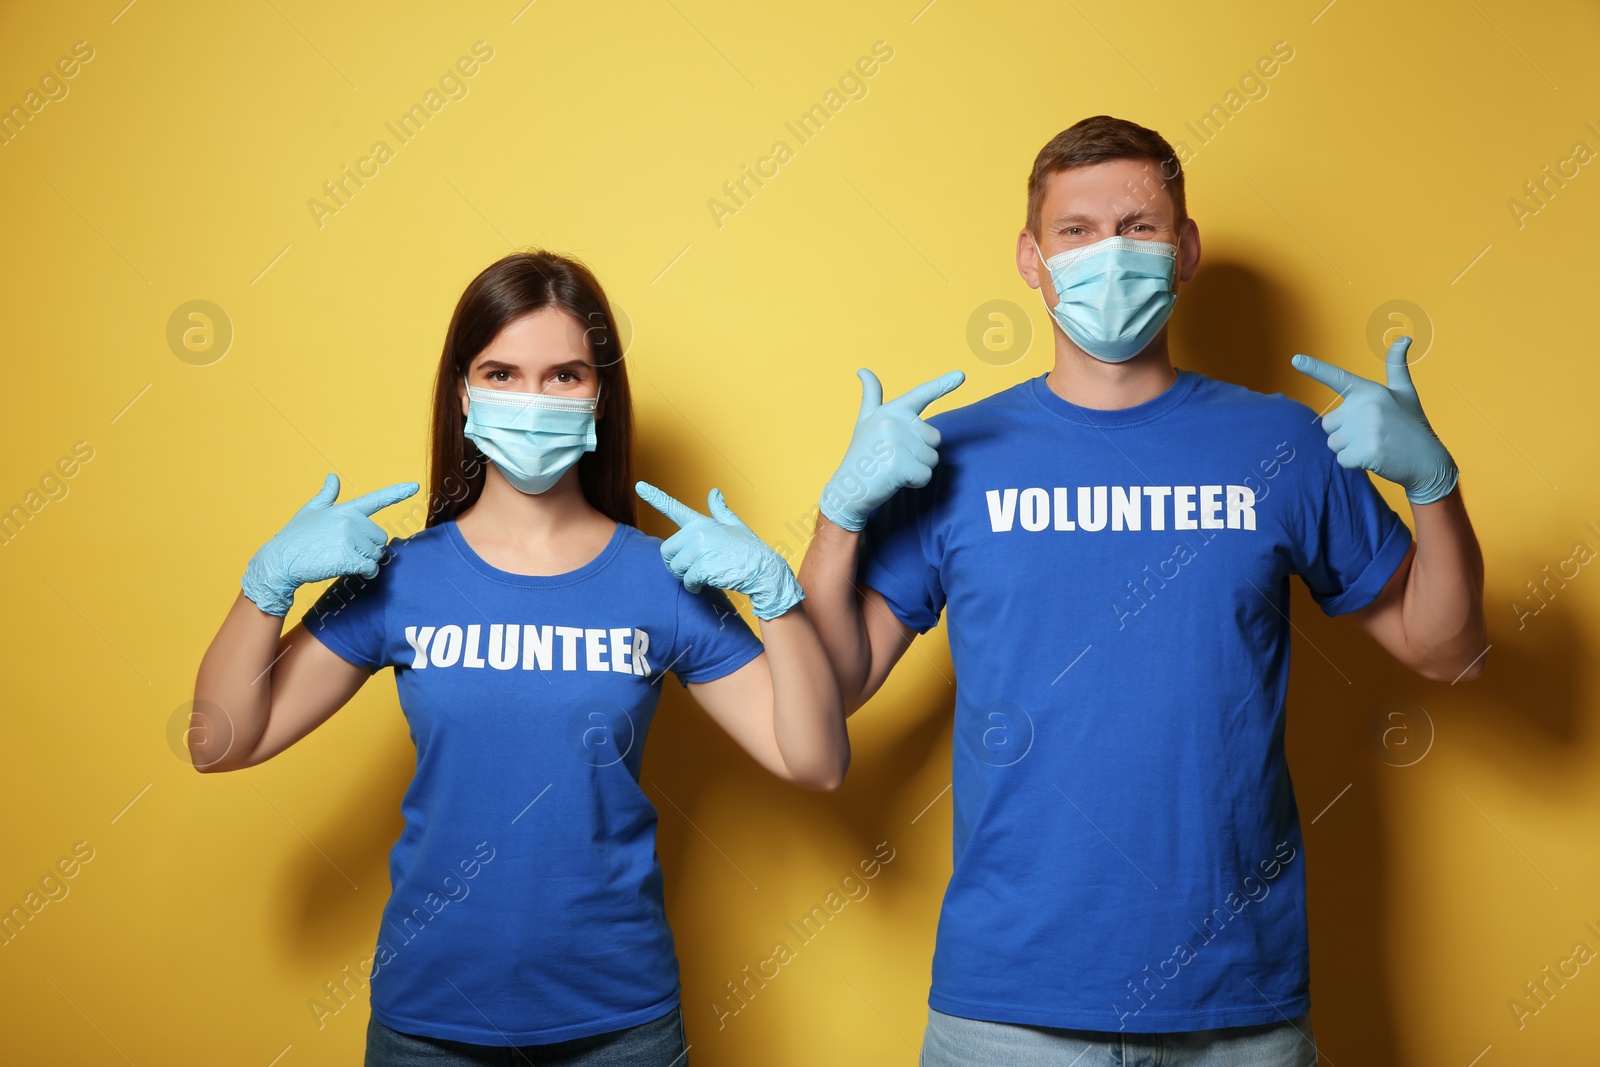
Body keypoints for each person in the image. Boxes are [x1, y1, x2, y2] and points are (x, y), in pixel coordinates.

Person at [797, 115, 1486, 1066]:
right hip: (1010, 1009)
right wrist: (837, 517)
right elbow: (826, 686)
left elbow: (1447, 649)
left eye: (1139, 225)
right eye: (1076, 232)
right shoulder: (953, 456)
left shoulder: (1283, 444)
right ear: (1032, 261)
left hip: (1236, 1006)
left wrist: (1434, 486)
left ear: (1185, 249)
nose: (1108, 254)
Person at [190, 251, 848, 1066]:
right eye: (502, 371)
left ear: (599, 393)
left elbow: (815, 760)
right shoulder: (401, 576)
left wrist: (777, 600)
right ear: (463, 390)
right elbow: (219, 742)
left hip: (620, 1024)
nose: (532, 400)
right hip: (430, 1022)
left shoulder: (663, 578)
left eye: (563, 374)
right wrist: (265, 586)